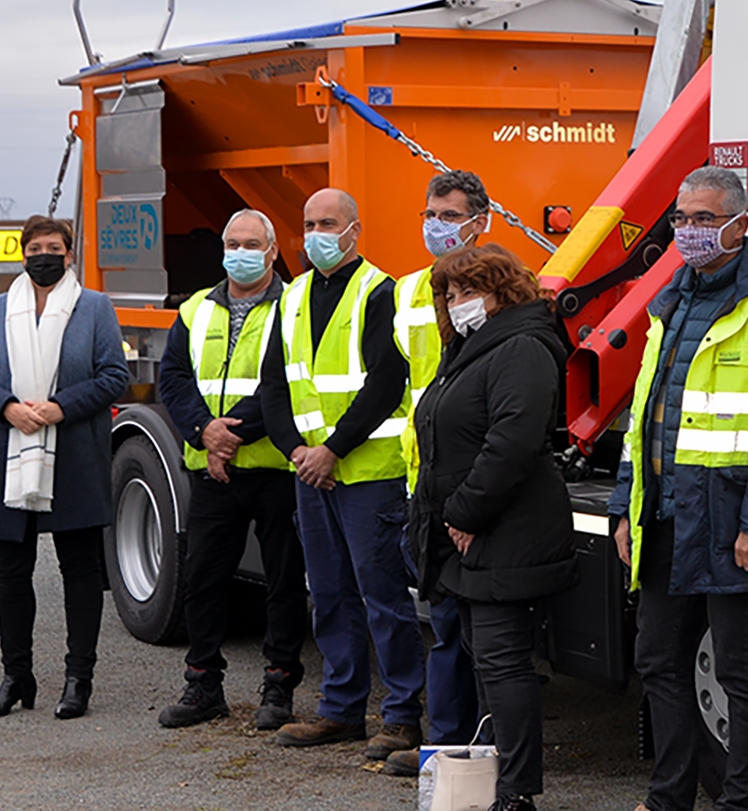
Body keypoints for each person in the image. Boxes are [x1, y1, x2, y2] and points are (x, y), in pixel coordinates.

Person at [583, 166, 748, 811]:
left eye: (702, 218)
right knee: (658, 658)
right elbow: (645, 425)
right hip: (669, 516)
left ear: (739, 225)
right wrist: (627, 511)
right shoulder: (671, 300)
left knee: (741, 671)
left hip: (732, 520)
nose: (688, 230)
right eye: (681, 219)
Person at [408, 244, 575, 811]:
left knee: (505, 664)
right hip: (471, 531)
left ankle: (519, 798)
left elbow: (513, 439)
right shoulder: (472, 349)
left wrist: (464, 511)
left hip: (504, 531)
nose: (455, 306)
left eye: (465, 293)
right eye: (449, 296)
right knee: (487, 659)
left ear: (500, 291)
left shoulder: (523, 347)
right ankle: (493, 780)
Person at [268, 187, 423, 757]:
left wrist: (331, 450)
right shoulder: (292, 296)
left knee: (383, 597)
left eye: (327, 223)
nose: (316, 235)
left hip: (368, 474)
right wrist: (298, 453)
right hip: (312, 474)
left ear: (354, 230)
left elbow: (386, 382)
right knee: (329, 595)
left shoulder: (378, 292)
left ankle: (403, 716)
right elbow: (275, 386)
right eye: (308, 223)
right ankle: (341, 710)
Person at [0, 216, 131, 720]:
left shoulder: (94, 307)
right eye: (34, 248)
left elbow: (113, 374)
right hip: (8, 456)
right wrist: (7, 405)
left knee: (79, 569)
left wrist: (60, 407)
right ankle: (16, 677)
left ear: (69, 254)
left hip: (71, 454)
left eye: (53, 247)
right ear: (23, 255)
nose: (43, 255)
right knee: (11, 572)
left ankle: (79, 680)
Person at [155, 209, 315, 731]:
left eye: (252, 244)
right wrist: (205, 432)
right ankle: (203, 684)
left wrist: (233, 434)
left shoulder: (297, 305)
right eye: (232, 242)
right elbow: (173, 379)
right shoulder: (197, 308)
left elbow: (291, 384)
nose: (240, 252)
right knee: (202, 579)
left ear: (272, 251)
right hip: (212, 473)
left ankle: (279, 685)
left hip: (274, 469)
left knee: (285, 583)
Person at [382, 167, 495, 776]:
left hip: (474, 482)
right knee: (444, 622)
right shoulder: (407, 292)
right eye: (432, 215)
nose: (438, 227)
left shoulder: (504, 290)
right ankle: (446, 747)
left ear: (482, 222)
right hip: (421, 481)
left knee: (482, 631)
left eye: (451, 216)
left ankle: (475, 748)